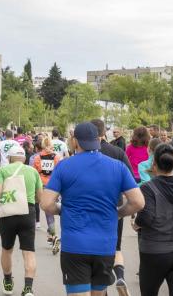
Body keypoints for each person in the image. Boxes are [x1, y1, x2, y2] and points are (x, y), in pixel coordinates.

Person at [41, 122, 145, 296]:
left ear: (75, 141)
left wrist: (61, 210)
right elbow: (138, 202)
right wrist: (118, 213)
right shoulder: (117, 167)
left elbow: (46, 203)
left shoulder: (64, 166)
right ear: (98, 139)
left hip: (75, 246)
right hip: (105, 245)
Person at [135, 143, 173, 296]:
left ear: (154, 164)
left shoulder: (148, 188)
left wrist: (136, 223)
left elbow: (146, 218)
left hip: (155, 252)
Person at [90, 119, 134, 295]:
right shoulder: (117, 152)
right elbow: (130, 184)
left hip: (90, 208)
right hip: (114, 207)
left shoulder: (83, 152)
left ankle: (103, 288)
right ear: (104, 132)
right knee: (115, 247)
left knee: (95, 250)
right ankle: (119, 276)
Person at [0, 146, 43, 296]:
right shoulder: (33, 171)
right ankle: (28, 288)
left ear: (9, 158)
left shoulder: (2, 170)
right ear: (24, 158)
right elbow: (40, 198)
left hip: (8, 213)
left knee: (7, 250)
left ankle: (8, 282)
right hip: (28, 212)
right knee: (29, 252)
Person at [33, 136, 60, 254]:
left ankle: (53, 235)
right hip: (55, 186)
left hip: (43, 186)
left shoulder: (37, 157)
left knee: (48, 212)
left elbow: (35, 172)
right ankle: (51, 234)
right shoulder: (57, 157)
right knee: (55, 210)